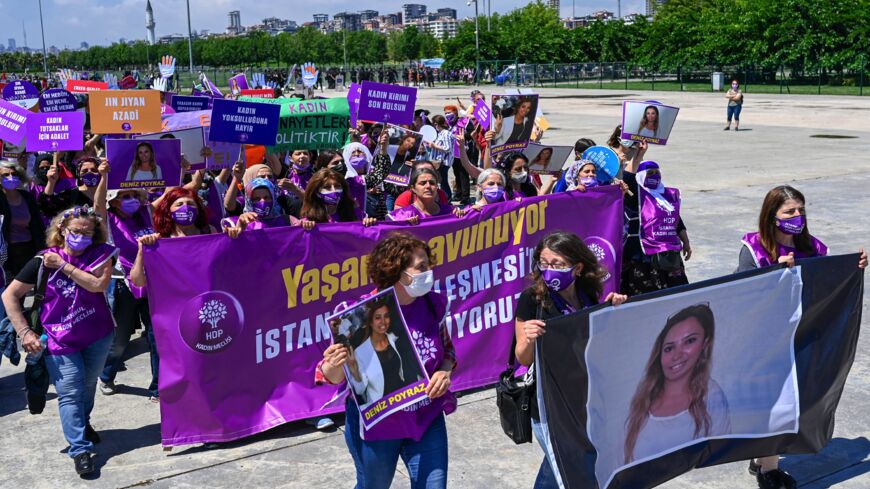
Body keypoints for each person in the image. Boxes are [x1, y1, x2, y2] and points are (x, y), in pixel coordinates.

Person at [737, 184, 867, 489]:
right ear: (772, 216)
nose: (798, 216)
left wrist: (854, 266)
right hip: (765, 342)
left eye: (801, 210)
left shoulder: (814, 249)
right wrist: (772, 275)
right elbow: (740, 292)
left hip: (804, 335)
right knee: (773, 404)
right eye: (790, 211)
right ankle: (768, 469)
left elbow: (828, 285)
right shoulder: (754, 248)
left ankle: (762, 459)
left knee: (797, 402)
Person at [320, 233, 457, 489]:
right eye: (421, 267)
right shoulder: (358, 314)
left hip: (426, 416)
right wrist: (335, 362)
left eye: (428, 264)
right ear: (397, 272)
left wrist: (445, 372)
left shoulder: (432, 305)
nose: (429, 272)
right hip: (379, 424)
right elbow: (332, 377)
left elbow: (447, 351)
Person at [2, 205, 117, 476]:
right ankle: (80, 449)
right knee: (70, 392)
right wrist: (25, 333)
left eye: (88, 233)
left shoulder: (101, 255)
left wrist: (64, 266)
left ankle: (82, 423)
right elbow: (9, 295)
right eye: (76, 231)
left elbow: (97, 285)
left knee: (88, 386)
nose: (81, 236)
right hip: (59, 338)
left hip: (98, 333)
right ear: (62, 231)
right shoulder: (43, 260)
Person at [514, 231, 627, 488]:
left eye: (558, 264)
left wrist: (614, 311)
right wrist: (529, 339)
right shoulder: (532, 298)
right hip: (548, 404)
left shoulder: (588, 293)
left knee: (559, 469)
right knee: (571, 467)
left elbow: (598, 341)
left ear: (577, 268)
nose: (549, 270)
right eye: (544, 263)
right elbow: (522, 358)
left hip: (583, 400)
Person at [623, 303, 731, 465]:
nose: (677, 355)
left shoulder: (712, 396)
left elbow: (721, 457)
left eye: (689, 341)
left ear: (705, 343)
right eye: (669, 348)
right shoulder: (639, 400)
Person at [93, 158, 161, 401]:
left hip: (152, 283)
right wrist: (103, 177)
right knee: (120, 340)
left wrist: (182, 169)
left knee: (156, 337)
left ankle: (157, 388)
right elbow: (98, 204)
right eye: (125, 196)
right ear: (114, 201)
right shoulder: (109, 222)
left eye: (134, 194)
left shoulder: (146, 213)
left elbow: (172, 193)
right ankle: (107, 374)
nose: (131, 199)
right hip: (123, 285)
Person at [621, 160, 691, 295]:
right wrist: (639, 154)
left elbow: (677, 220)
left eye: (656, 173)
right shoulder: (635, 195)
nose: (653, 176)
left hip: (667, 253)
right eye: (649, 173)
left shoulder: (667, 195)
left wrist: (686, 242)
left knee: (676, 291)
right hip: (642, 254)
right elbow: (628, 176)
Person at [346, 297, 423, 408]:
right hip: (382, 408)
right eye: (378, 318)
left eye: (386, 316)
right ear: (371, 323)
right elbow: (359, 390)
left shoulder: (394, 339)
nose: (383, 321)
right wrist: (354, 370)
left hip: (404, 400)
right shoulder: (360, 352)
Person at [0, 159, 46, 279]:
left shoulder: (27, 197)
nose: (11, 177)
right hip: (5, 254)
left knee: (21, 292)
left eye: (14, 174)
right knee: (8, 292)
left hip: (28, 250)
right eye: (5, 175)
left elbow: (37, 224)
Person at [388, 168, 469, 224]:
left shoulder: (450, 212)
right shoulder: (402, 215)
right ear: (413, 188)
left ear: (437, 187)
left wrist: (474, 211)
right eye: (422, 183)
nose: (428, 186)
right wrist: (403, 227)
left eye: (432, 183)